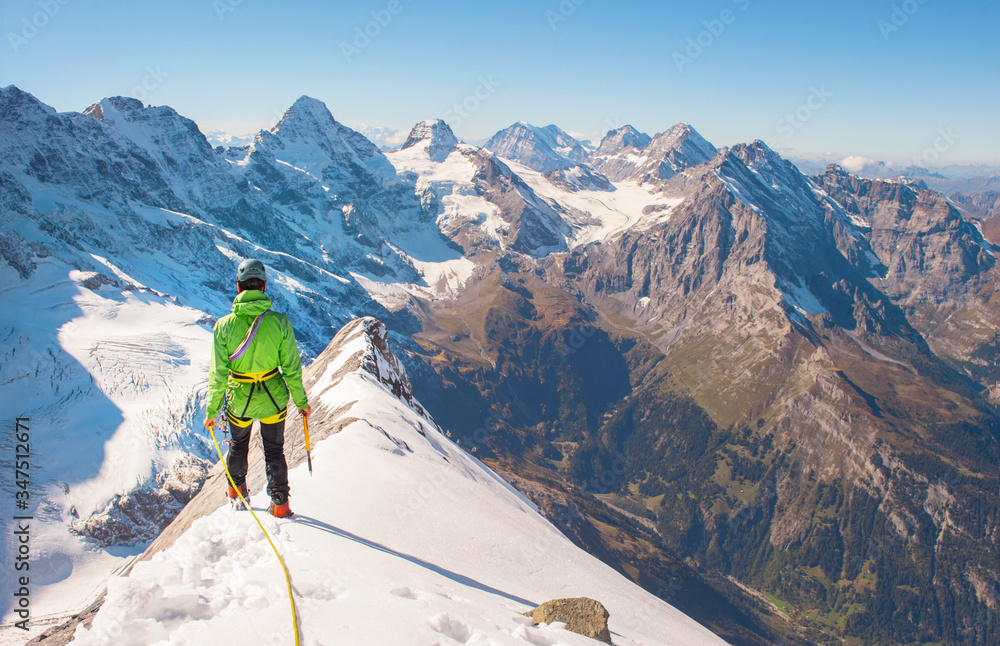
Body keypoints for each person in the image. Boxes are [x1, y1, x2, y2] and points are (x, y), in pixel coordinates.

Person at [203, 258, 310, 517]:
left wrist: (212, 411)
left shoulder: (223, 326)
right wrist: (301, 402)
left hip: (240, 399)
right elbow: (292, 368)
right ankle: (281, 505)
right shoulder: (280, 322)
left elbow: (218, 374)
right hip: (273, 398)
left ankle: (236, 495)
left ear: (238, 287)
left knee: (238, 446)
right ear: (263, 285)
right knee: (274, 450)